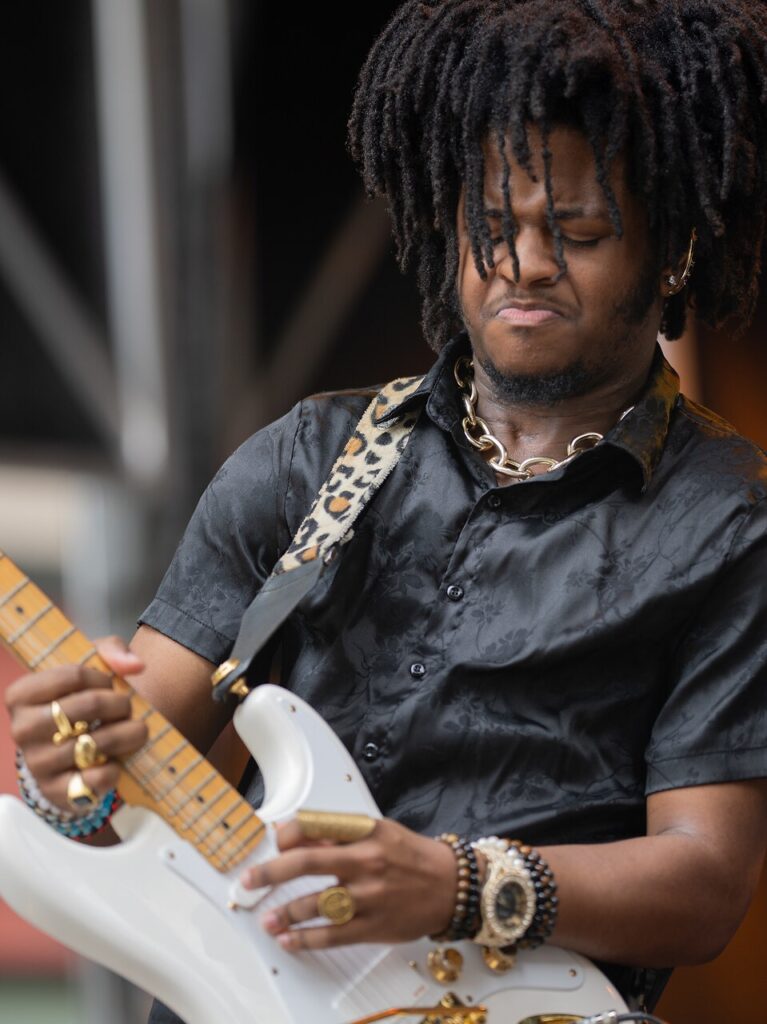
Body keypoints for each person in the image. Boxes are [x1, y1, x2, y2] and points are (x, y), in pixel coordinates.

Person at [6, 1, 767, 1021]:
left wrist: (454, 884)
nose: (523, 262)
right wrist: (73, 771)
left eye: (576, 231)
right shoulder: (302, 462)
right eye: (491, 225)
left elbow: (703, 883)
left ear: (667, 251)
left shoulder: (726, 520)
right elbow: (124, 801)